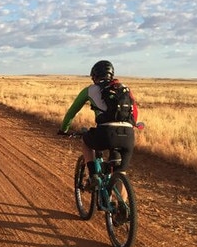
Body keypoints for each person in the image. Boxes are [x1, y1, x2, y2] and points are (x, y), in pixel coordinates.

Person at [58, 60, 138, 190]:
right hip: (128, 135)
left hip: (106, 133)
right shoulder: (125, 89)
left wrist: (64, 129)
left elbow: (72, 112)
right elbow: (134, 112)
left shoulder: (90, 90)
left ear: (94, 76)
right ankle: (121, 207)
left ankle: (93, 175)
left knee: (86, 141)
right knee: (120, 173)